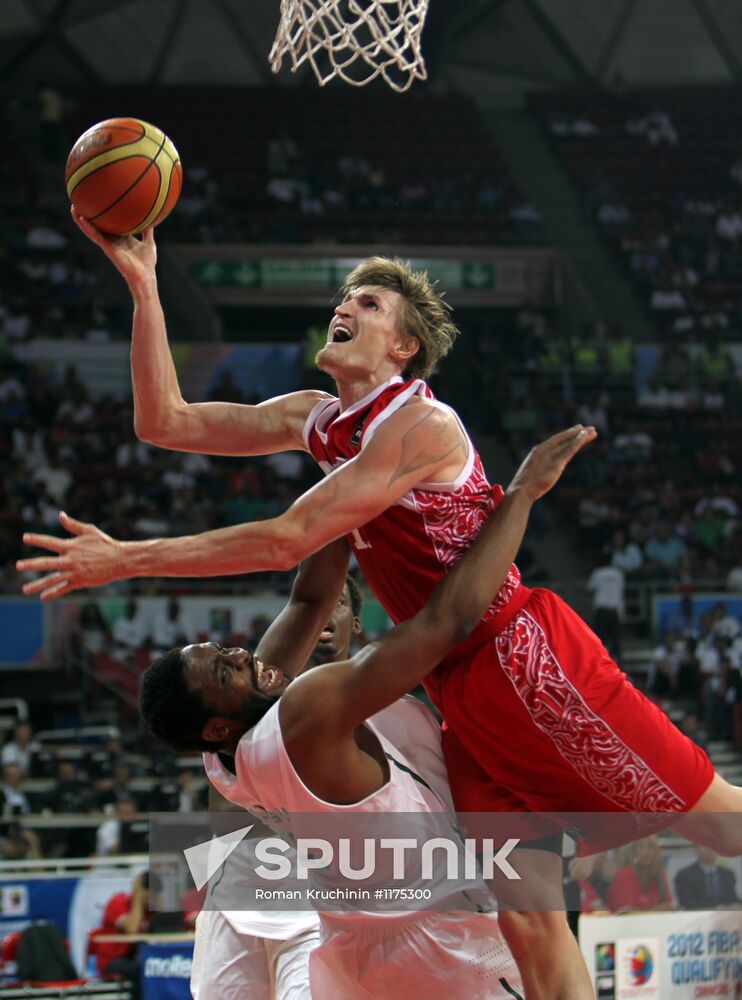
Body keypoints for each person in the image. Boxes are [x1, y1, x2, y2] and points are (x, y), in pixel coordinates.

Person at [18, 237, 742, 995]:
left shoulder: (418, 428)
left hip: (519, 656)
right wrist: (144, 287)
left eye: (368, 303)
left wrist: (126, 558)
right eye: (345, 298)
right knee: (529, 919)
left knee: (718, 824)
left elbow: (289, 541)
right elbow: (164, 421)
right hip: (452, 687)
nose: (345, 307)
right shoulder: (321, 420)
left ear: (405, 345)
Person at [141, 430, 589, 999]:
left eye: (228, 652)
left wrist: (347, 471)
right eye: (226, 671)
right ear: (217, 726)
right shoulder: (305, 712)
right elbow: (446, 621)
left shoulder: (225, 758)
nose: (241, 655)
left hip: (346, 944)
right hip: (434, 937)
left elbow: (308, 599)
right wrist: (521, 493)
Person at [607, 836, 673, 913]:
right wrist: (656, 910)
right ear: (633, 851)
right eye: (641, 846)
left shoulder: (659, 875)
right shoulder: (624, 874)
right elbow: (626, 912)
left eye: (651, 846)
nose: (647, 851)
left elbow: (668, 906)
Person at [674, 845, 740, 909]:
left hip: (726, 916)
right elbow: (687, 903)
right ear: (696, 849)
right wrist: (717, 909)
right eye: (705, 845)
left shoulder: (727, 874)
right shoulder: (684, 875)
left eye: (713, 846)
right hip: (698, 917)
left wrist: (737, 905)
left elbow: (732, 898)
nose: (710, 849)